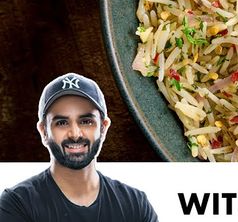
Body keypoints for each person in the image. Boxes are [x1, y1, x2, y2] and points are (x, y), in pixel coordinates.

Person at [0, 73, 158, 222]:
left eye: (86, 121)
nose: (75, 134)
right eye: (61, 123)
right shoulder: (18, 203)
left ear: (104, 127)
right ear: (44, 131)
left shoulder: (136, 204)